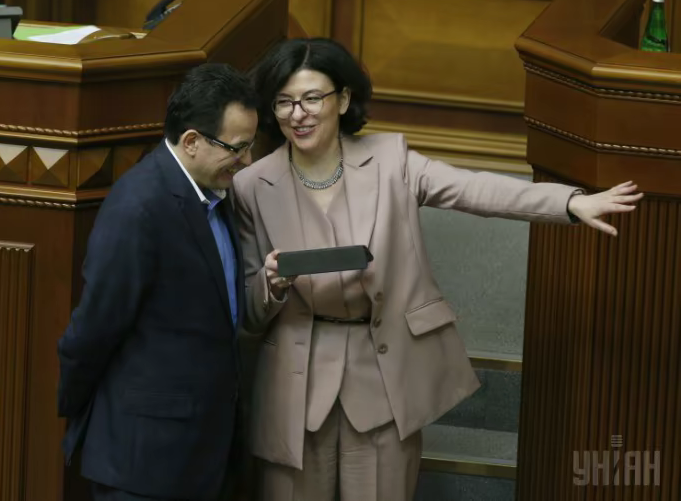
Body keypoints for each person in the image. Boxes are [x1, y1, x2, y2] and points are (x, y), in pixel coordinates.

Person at [232, 38, 643, 501]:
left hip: (382, 373)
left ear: (342, 99)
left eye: (311, 98)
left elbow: (473, 190)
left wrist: (568, 203)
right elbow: (248, 310)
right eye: (284, 102)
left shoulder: (390, 161)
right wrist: (270, 285)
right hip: (296, 385)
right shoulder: (252, 186)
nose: (298, 114)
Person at [57, 62, 258, 501]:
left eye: (250, 146)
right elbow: (92, 331)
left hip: (202, 453)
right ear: (192, 141)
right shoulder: (139, 208)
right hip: (145, 461)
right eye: (238, 148)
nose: (247, 161)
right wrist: (78, 410)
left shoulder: (214, 190)